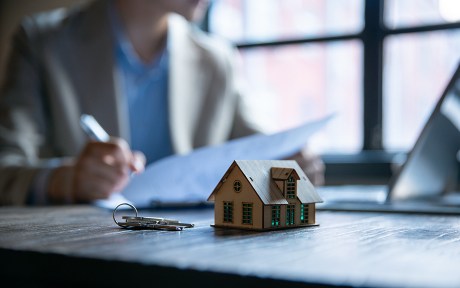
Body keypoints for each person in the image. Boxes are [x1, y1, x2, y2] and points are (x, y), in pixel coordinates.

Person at [0, 0, 324, 206]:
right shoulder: (42, 43)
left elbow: (263, 149)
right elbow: (6, 168)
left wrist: (289, 167)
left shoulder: (217, 60)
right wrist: (65, 180)